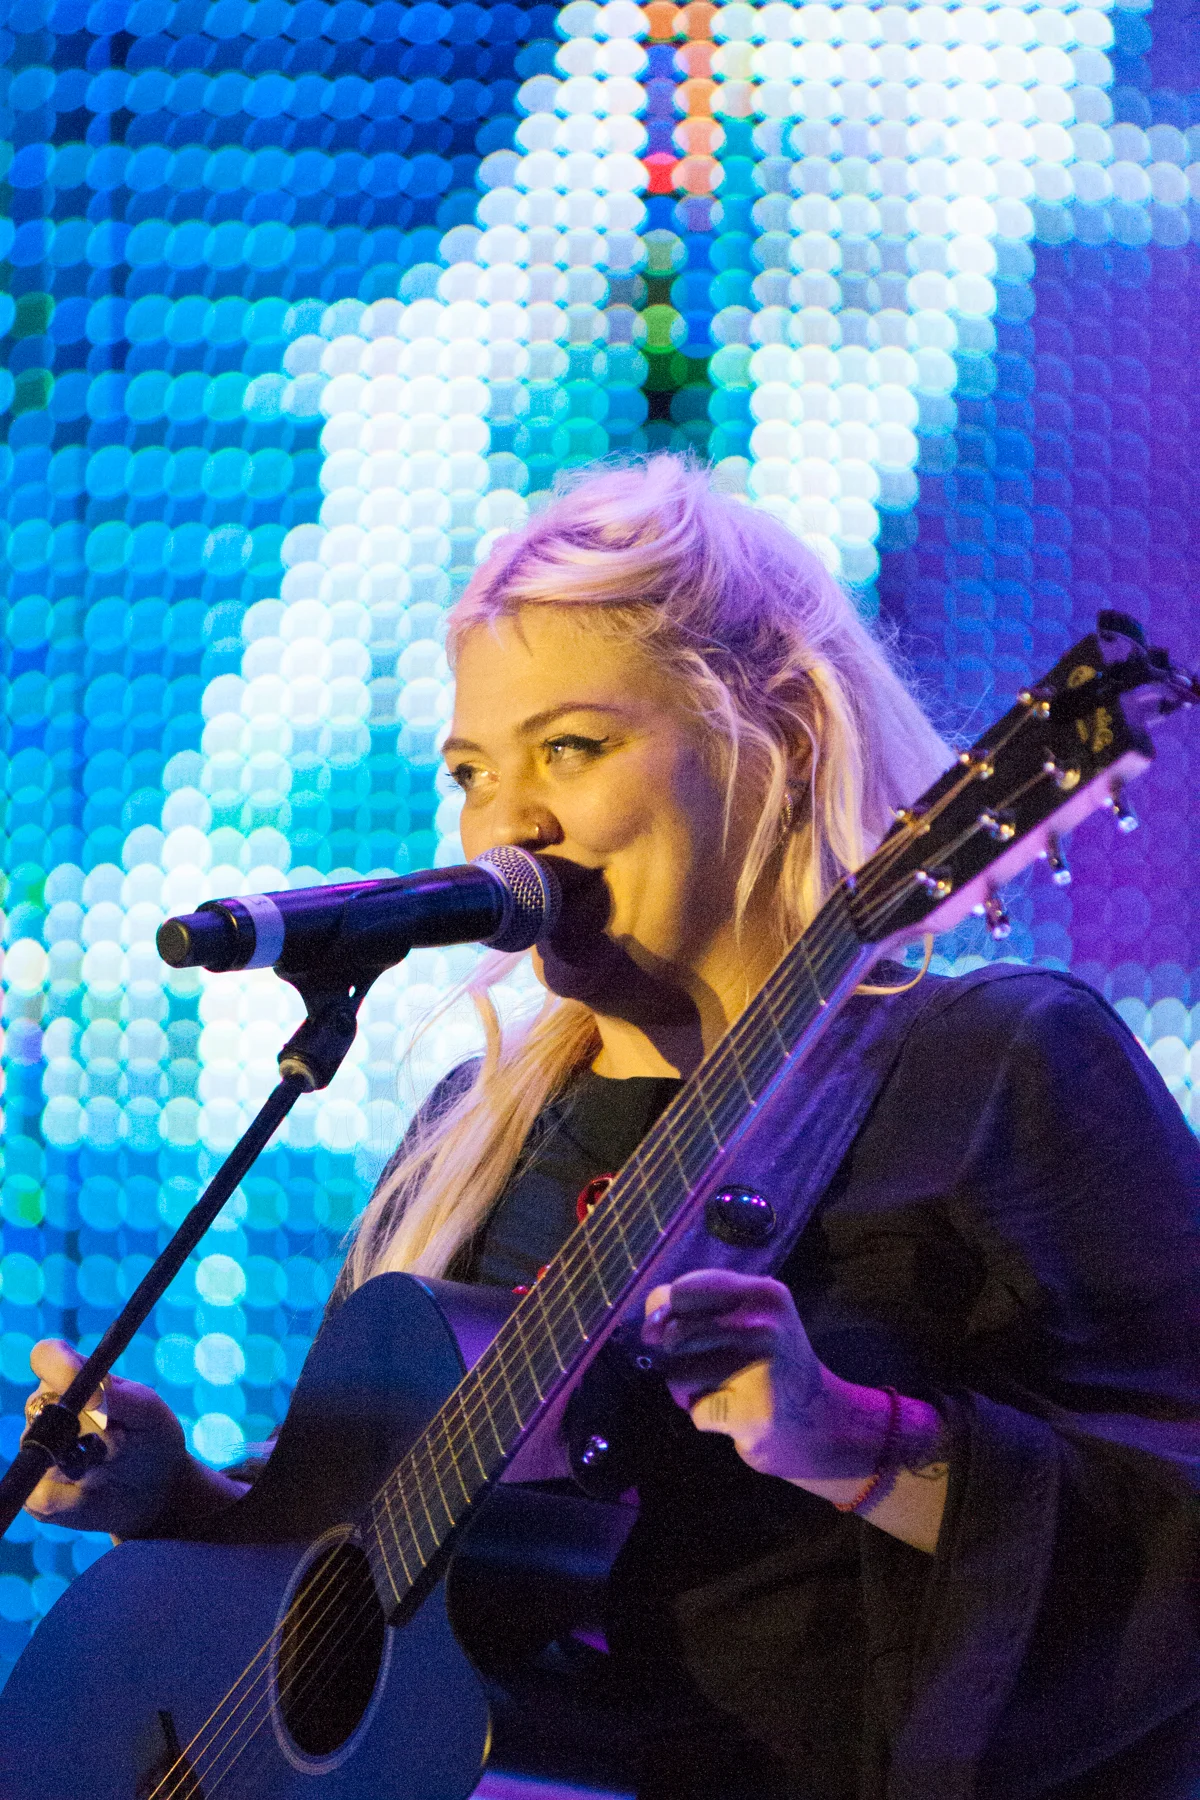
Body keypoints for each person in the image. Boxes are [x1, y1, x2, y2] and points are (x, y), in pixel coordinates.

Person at [21, 456, 1200, 1799]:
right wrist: (177, 1500)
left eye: (569, 748)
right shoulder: (471, 1138)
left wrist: (853, 1439)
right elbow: (404, 1585)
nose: (504, 823)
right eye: (472, 770)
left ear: (781, 740)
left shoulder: (994, 1067)